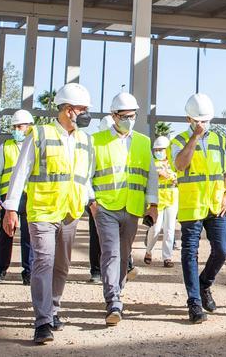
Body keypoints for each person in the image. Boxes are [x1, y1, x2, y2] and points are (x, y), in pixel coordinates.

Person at [2, 83, 96, 345]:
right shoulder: (39, 134)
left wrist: (92, 201)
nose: (86, 114)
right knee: (43, 262)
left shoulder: (86, 140)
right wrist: (10, 208)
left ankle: (54, 308)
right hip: (42, 210)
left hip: (70, 211)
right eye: (82, 109)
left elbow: (84, 177)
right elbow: (21, 171)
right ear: (68, 110)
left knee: (62, 265)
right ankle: (42, 321)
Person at [91, 92, 157, 326]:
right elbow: (88, 174)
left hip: (132, 207)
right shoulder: (96, 140)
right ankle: (113, 302)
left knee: (124, 252)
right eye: (125, 116)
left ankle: (116, 290)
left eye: (133, 115)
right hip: (105, 206)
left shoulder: (143, 141)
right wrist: (92, 201)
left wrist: (153, 205)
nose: (129, 120)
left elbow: (151, 176)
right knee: (111, 252)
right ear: (114, 116)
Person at [172, 92, 226, 324]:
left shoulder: (219, 140)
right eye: (198, 121)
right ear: (189, 119)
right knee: (190, 253)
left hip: (216, 204)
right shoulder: (178, 141)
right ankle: (194, 303)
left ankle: (204, 284)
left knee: (222, 249)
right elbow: (180, 164)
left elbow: (225, 171)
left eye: (206, 121)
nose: (203, 125)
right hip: (192, 206)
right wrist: (195, 138)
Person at [0, 109, 34, 284]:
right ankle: (1, 269)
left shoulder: (36, 145)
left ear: (29, 127)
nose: (17, 129)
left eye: (20, 126)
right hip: (9, 198)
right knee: (6, 233)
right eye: (15, 126)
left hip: (30, 196)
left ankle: (28, 271)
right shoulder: (5, 147)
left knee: (29, 236)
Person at [143, 135, 178, 267]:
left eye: (161, 149)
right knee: (155, 228)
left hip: (172, 197)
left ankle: (167, 257)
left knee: (169, 229)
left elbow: (179, 176)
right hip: (157, 200)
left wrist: (170, 176)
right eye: (156, 150)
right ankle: (148, 251)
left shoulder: (174, 163)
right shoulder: (152, 163)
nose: (158, 152)